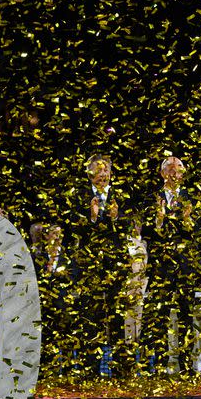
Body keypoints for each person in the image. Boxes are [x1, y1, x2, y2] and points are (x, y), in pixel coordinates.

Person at [67, 154, 133, 377]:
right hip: (89, 266)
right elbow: (72, 227)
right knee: (90, 314)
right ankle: (90, 368)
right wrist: (92, 218)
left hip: (114, 265)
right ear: (89, 173)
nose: (103, 174)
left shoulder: (120, 197)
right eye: (98, 170)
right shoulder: (79, 197)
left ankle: (119, 369)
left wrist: (115, 218)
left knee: (116, 316)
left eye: (106, 170)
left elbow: (129, 229)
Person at [141, 157, 198, 374]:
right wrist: (159, 220)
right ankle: (154, 364)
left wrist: (187, 220)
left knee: (185, 314)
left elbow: (198, 229)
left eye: (181, 171)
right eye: (174, 171)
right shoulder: (151, 197)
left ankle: (185, 363)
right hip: (161, 266)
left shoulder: (190, 197)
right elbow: (145, 231)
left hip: (184, 266)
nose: (178, 175)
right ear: (164, 173)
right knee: (157, 314)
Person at [30, 223, 77, 377]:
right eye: (55, 234)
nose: (58, 238)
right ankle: (45, 371)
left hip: (63, 304)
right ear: (46, 236)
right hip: (43, 304)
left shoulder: (67, 255)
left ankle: (68, 372)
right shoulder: (38, 255)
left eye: (60, 234)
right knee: (45, 337)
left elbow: (74, 276)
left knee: (65, 337)